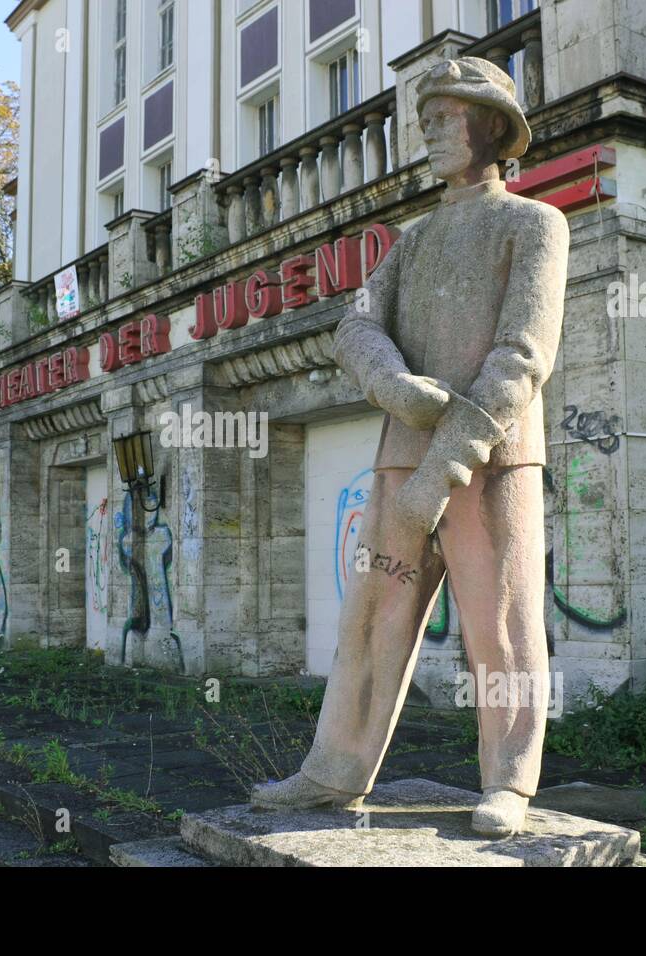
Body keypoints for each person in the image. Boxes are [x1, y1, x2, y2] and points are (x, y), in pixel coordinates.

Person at [250, 57, 569, 838]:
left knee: (500, 626)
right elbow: (354, 326)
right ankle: (332, 770)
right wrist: (393, 386)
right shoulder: (413, 239)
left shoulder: (534, 225)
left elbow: (523, 355)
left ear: (493, 127)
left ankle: (508, 782)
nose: (428, 133)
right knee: (370, 614)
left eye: (444, 119)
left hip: (489, 458)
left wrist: (443, 466)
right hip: (401, 458)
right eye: (423, 121)